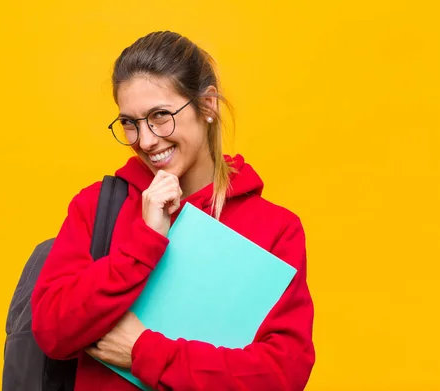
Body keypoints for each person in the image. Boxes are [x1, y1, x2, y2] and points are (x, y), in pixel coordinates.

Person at [30, 30, 315, 391]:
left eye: (160, 116)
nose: (146, 141)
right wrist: (142, 245)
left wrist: (144, 352)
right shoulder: (98, 206)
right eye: (130, 123)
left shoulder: (275, 229)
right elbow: (52, 334)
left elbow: (282, 376)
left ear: (208, 105)